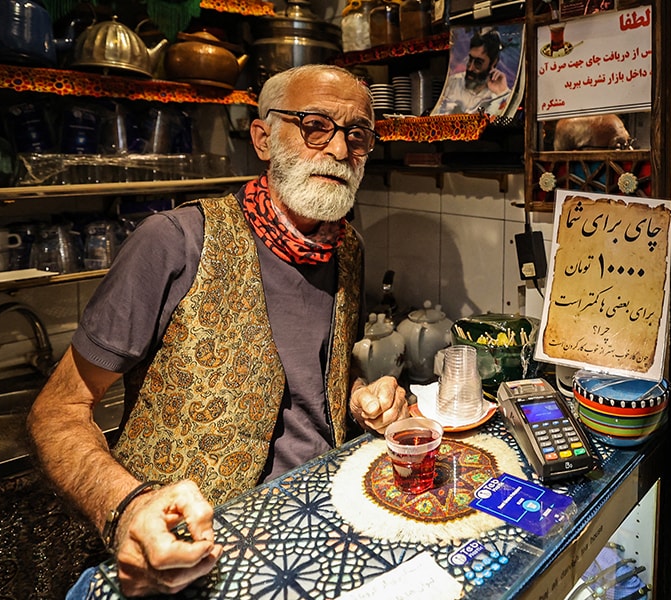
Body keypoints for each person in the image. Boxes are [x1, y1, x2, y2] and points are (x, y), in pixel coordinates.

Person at [27, 64, 410, 598]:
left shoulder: (346, 249)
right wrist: (128, 507)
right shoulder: (174, 241)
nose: (340, 151)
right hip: (192, 549)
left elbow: (309, 382)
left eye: (358, 135)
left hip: (320, 516)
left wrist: (362, 397)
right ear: (262, 138)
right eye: (315, 125)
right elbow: (57, 410)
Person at [433, 27, 512, 116]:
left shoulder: (499, 92)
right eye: (470, 60)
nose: (470, 68)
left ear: (494, 62)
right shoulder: (453, 83)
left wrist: (501, 92)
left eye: (478, 63)